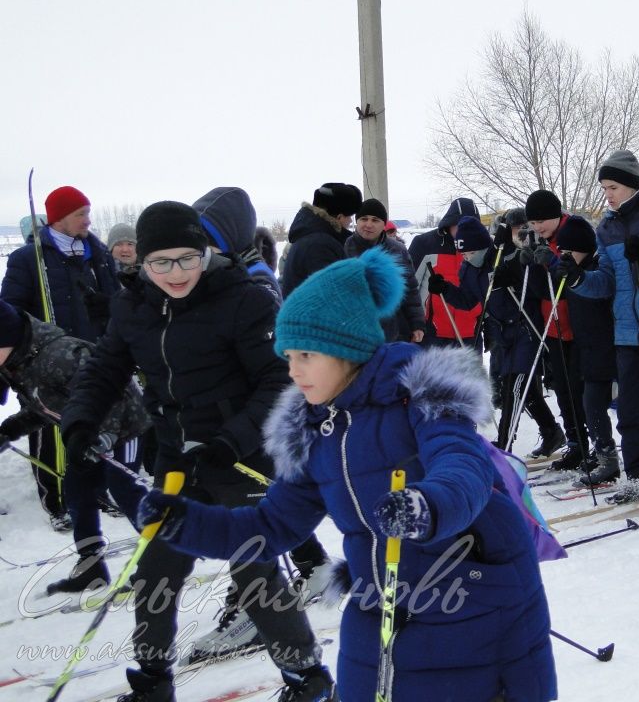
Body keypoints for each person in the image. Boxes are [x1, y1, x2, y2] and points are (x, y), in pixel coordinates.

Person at [135, 248, 558, 702]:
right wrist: (186, 523)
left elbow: (463, 468)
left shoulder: (420, 397)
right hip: (378, 606)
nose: (293, 371)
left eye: (306, 355)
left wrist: (425, 506)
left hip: (472, 601)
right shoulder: (315, 430)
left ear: (346, 348)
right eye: (288, 356)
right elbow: (269, 526)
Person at [60, 201, 331, 702]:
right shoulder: (133, 307)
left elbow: (280, 381)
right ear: (140, 263)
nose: (176, 272)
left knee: (254, 568)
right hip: (178, 457)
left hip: (241, 456)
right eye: (160, 262)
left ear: (206, 251)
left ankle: (307, 679)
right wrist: (80, 422)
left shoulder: (243, 299)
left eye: (188, 257)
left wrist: (233, 439)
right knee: (157, 566)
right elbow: (103, 371)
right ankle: (152, 682)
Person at [192, 186, 334, 660]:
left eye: (204, 238)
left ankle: (254, 614)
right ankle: (311, 563)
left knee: (250, 521)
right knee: (263, 507)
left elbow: (275, 366)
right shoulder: (219, 279)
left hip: (253, 422)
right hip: (232, 423)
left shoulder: (250, 283)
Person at [557, 150, 639, 503]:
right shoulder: (607, 227)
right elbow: (606, 282)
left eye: (613, 186)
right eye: (604, 188)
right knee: (631, 410)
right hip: (627, 333)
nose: (608, 194)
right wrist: (577, 278)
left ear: (631, 184)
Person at [0, 297, 150, 592]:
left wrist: (103, 436)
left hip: (126, 425)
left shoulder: (58, 354)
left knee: (124, 489)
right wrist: (14, 427)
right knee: (77, 492)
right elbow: (50, 402)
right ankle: (90, 566)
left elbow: (109, 391)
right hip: (85, 434)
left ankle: (160, 563)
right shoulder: (18, 362)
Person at [1, 185, 120, 531]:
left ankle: (96, 489)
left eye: (87, 212)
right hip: (44, 358)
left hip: (92, 354)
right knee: (50, 428)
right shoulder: (29, 258)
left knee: (94, 426)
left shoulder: (97, 254)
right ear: (59, 219)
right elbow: (11, 310)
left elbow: (117, 300)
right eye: (80, 214)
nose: (88, 220)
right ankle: (54, 498)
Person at [431, 216, 561, 453]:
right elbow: (468, 300)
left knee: (515, 387)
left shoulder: (505, 256)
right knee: (524, 390)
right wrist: (445, 289)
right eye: (464, 253)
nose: (467, 257)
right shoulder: (469, 269)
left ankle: (504, 443)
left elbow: (531, 284)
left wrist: (511, 275)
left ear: (483, 246)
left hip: (524, 329)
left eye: (471, 251)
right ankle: (552, 432)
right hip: (502, 334)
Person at [521, 190, 590, 471]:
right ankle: (576, 444)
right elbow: (542, 291)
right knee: (562, 389)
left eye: (541, 221)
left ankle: (593, 445)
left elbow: (572, 278)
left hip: (579, 326)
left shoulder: (573, 230)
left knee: (580, 390)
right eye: (533, 222)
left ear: (555, 214)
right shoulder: (544, 239)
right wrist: (532, 266)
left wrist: (548, 264)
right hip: (554, 326)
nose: (537, 227)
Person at [552, 215, 619, 487]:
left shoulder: (598, 268)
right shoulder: (570, 273)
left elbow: (603, 293)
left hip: (610, 349)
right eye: (562, 252)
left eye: (570, 251)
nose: (566, 256)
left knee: (638, 409)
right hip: (587, 350)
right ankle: (607, 460)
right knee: (591, 405)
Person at [344, 198, 425, 343]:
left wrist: (417, 323)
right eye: (364, 219)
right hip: (352, 334)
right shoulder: (344, 248)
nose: (368, 224)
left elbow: (410, 289)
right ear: (357, 221)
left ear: (383, 224)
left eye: (375, 220)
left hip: (391, 333)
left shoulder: (397, 250)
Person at [408, 197, 482, 347]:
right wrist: (413, 324)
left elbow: (486, 291)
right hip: (432, 334)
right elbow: (408, 287)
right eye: (460, 226)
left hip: (471, 335)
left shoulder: (482, 248)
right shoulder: (425, 244)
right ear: (450, 222)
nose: (465, 232)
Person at [281, 182, 362, 297]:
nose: (350, 222)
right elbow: (332, 297)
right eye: (349, 216)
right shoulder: (320, 245)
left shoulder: (310, 236)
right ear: (339, 217)